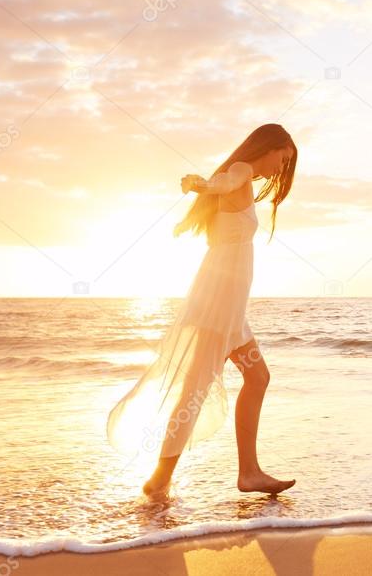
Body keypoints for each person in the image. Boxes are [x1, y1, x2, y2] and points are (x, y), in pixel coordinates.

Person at [107, 123, 297, 497]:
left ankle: (247, 473)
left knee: (256, 378)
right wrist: (203, 185)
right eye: (281, 158)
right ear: (268, 147)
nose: (280, 169)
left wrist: (205, 189)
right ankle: (161, 479)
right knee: (195, 389)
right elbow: (226, 180)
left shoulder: (242, 181)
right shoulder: (241, 173)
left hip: (229, 308)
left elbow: (223, 187)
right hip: (219, 303)